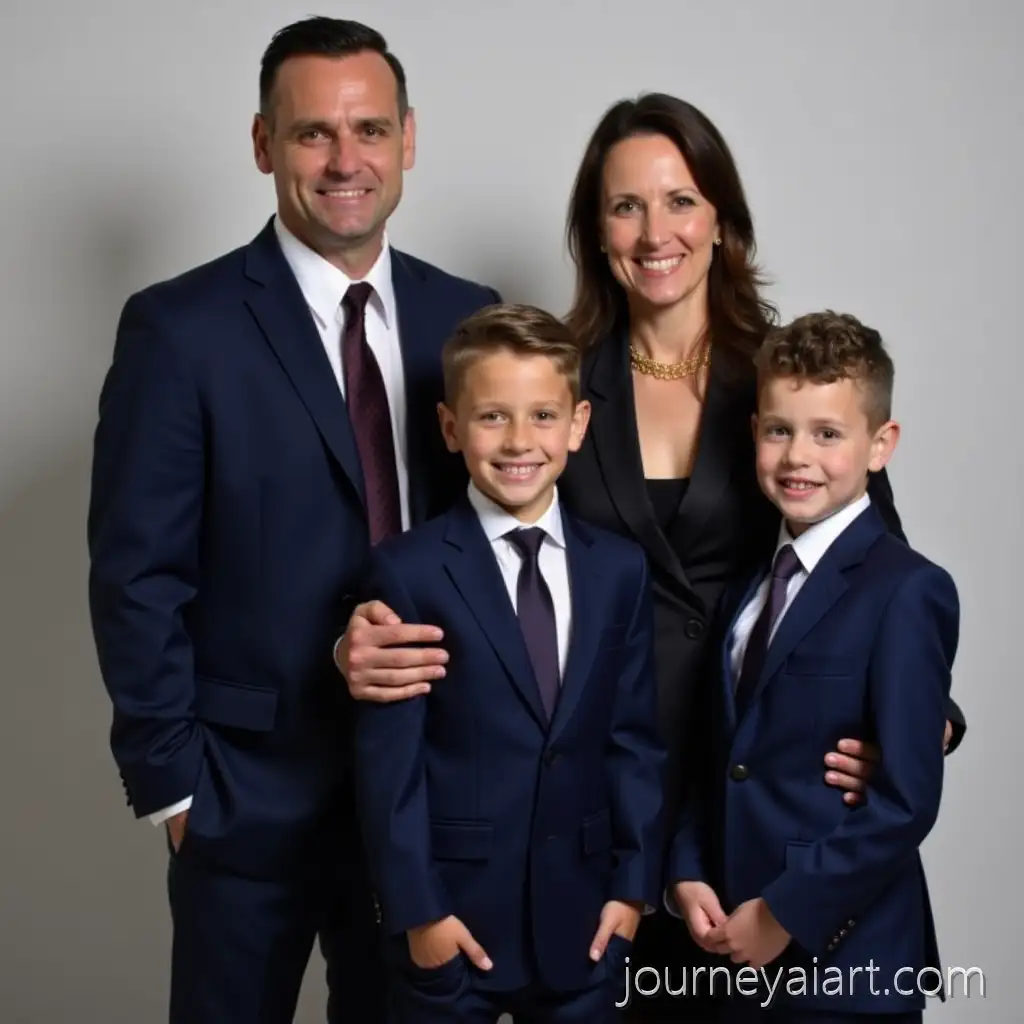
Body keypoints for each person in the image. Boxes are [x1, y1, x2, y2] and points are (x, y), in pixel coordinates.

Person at [336, 93, 966, 1022]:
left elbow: (875, 564)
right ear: (596, 230)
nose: (654, 230)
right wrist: (361, 639)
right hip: (601, 806)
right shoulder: (552, 384)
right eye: (625, 205)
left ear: (721, 219)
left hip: (750, 804)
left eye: (679, 200)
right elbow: (456, 562)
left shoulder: (784, 378)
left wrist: (922, 723)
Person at [86, 17, 498, 1024]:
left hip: (427, 799)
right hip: (246, 801)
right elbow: (134, 574)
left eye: (367, 130)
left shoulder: (469, 319)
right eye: (312, 133)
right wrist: (177, 793)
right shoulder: (180, 330)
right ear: (265, 145)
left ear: (408, 137)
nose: (344, 160)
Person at [352, 303, 666, 1023]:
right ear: (451, 427)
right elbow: (389, 768)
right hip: (453, 926)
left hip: (588, 922)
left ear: (578, 425)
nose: (520, 441)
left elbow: (635, 739)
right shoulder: (408, 572)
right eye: (492, 417)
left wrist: (632, 888)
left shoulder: (618, 570)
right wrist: (419, 914)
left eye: (543, 417)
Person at [668, 310, 958, 1024]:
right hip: (730, 950)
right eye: (779, 430)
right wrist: (684, 869)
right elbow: (721, 757)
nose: (799, 455)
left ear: (880, 444)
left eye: (828, 434)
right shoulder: (748, 588)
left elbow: (905, 802)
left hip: (849, 962)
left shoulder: (907, 588)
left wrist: (785, 913)